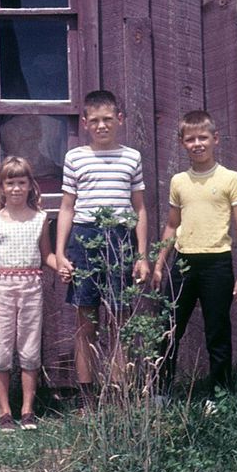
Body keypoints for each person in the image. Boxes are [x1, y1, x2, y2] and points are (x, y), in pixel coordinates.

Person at [55, 90, 149, 407]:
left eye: (107, 119)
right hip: (84, 238)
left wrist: (142, 255)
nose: (101, 126)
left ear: (119, 120)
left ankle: (120, 395)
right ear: (84, 123)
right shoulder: (75, 158)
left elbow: (140, 210)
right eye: (94, 120)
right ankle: (86, 397)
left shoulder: (131, 157)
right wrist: (61, 254)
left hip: (120, 238)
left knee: (120, 319)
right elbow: (67, 208)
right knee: (86, 320)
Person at [151, 109, 237, 394]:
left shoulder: (230, 179)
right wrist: (160, 262)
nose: (197, 144)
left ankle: (218, 396)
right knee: (168, 330)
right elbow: (172, 225)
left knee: (217, 333)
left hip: (217, 264)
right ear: (182, 142)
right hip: (183, 264)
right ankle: (160, 393)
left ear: (215, 139)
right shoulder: (179, 182)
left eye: (203, 138)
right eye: (190, 139)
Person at [0, 157, 56, 432]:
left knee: (29, 348)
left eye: (21, 182)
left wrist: (63, 266)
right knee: (1, 350)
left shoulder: (40, 219)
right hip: (1, 289)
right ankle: (4, 411)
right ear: (1, 187)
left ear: (30, 185)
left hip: (31, 288)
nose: (15, 188)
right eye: (9, 183)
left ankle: (27, 410)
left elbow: (46, 254)